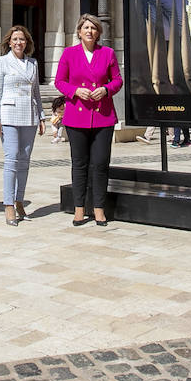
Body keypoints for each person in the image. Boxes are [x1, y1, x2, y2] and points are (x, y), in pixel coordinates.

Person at [55, 14, 122, 227]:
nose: (89, 31)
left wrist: (105, 89)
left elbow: (118, 80)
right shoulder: (69, 53)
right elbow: (59, 81)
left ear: (98, 32)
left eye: (93, 28)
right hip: (77, 116)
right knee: (79, 164)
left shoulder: (108, 53)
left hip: (102, 116)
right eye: (86, 27)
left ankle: (99, 209)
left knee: (101, 164)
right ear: (79, 31)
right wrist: (75, 91)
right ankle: (79, 209)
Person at [0, 24, 45, 226]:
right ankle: (8, 204)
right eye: (15, 39)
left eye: (21, 39)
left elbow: (36, 92)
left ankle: (19, 199)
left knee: (25, 160)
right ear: (9, 42)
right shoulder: (1, 62)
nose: (18, 43)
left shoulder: (33, 64)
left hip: (29, 116)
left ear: (27, 42)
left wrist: (41, 117)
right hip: (9, 115)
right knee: (11, 159)